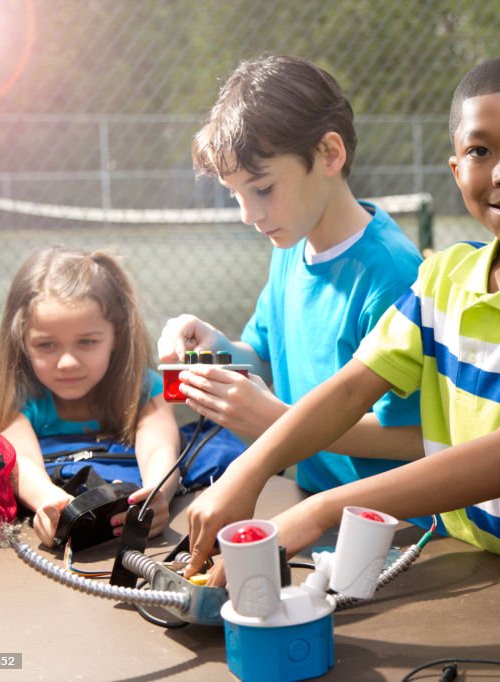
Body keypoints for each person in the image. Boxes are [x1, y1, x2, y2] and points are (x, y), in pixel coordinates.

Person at [183, 55, 500, 599]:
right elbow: (352, 386)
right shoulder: (443, 277)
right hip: (474, 567)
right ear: (457, 170)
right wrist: (249, 470)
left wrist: (318, 511)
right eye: (481, 151)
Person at [157, 54, 423, 495]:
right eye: (235, 194)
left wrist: (281, 423)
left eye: (262, 188)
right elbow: (260, 354)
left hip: (393, 522)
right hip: (312, 500)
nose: (247, 214)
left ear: (329, 154)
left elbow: (416, 440)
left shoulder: (394, 274)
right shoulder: (290, 243)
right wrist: (211, 350)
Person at [0, 246, 180, 545]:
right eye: (46, 345)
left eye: (87, 342)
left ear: (116, 334)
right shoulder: (17, 396)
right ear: (21, 341)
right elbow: (21, 460)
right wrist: (49, 501)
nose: (67, 363)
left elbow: (160, 447)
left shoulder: (141, 387)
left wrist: (157, 492)